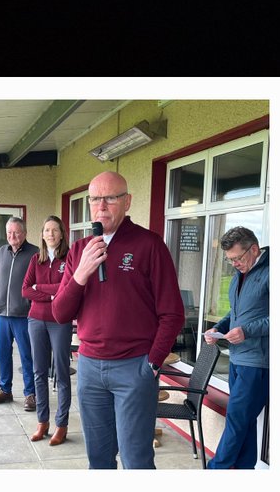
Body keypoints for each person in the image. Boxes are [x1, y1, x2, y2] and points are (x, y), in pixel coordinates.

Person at [51, 171, 185, 469]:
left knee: (136, 459)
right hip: (89, 368)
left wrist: (151, 363)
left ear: (127, 202)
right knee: (98, 459)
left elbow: (173, 313)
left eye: (110, 198)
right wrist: (81, 273)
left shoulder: (149, 245)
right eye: (96, 199)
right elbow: (60, 313)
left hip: (134, 368)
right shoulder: (78, 249)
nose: (102, 206)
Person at [203, 226, 270, 469]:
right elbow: (235, 313)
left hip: (257, 362)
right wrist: (217, 328)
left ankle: (216, 470)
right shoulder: (239, 275)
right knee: (245, 421)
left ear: (254, 249)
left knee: (236, 419)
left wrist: (247, 331)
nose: (234, 264)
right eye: (230, 260)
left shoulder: (271, 273)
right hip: (236, 359)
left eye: (237, 258)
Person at [21, 216, 72, 445]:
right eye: (46, 230)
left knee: (61, 373)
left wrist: (40, 288)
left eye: (55, 230)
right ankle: (43, 422)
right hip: (35, 320)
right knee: (39, 372)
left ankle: (61, 425)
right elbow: (24, 290)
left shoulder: (69, 258)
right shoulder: (35, 260)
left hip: (60, 321)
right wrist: (53, 294)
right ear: (42, 234)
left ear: (61, 234)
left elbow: (68, 287)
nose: (50, 234)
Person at [0, 217, 39, 409]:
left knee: (27, 356)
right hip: (2, 316)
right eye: (9, 233)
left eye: (16, 232)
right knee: (3, 355)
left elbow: (40, 284)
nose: (12, 236)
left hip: (24, 316)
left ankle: (31, 394)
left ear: (24, 233)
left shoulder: (35, 253)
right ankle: (5, 390)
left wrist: (33, 305)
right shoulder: (1, 253)